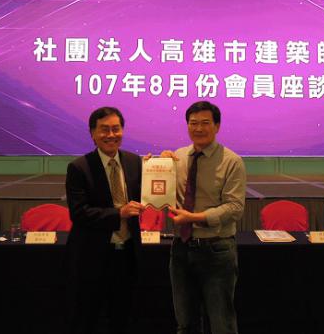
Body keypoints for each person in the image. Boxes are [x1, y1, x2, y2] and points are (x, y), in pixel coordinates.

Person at [162, 101, 246, 334]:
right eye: (193, 123)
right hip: (181, 248)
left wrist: (193, 218)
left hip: (216, 250)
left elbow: (235, 208)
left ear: (217, 126)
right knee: (185, 322)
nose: (198, 128)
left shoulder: (232, 161)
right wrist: (157, 165)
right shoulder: (177, 157)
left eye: (205, 123)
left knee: (221, 323)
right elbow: (161, 193)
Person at [65, 107, 145, 334]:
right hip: (92, 257)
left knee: (122, 317)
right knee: (87, 318)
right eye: (104, 129)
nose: (111, 135)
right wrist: (119, 213)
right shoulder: (79, 167)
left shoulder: (134, 162)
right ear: (92, 133)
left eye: (116, 129)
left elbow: (148, 193)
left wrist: (164, 166)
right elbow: (79, 213)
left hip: (127, 254)